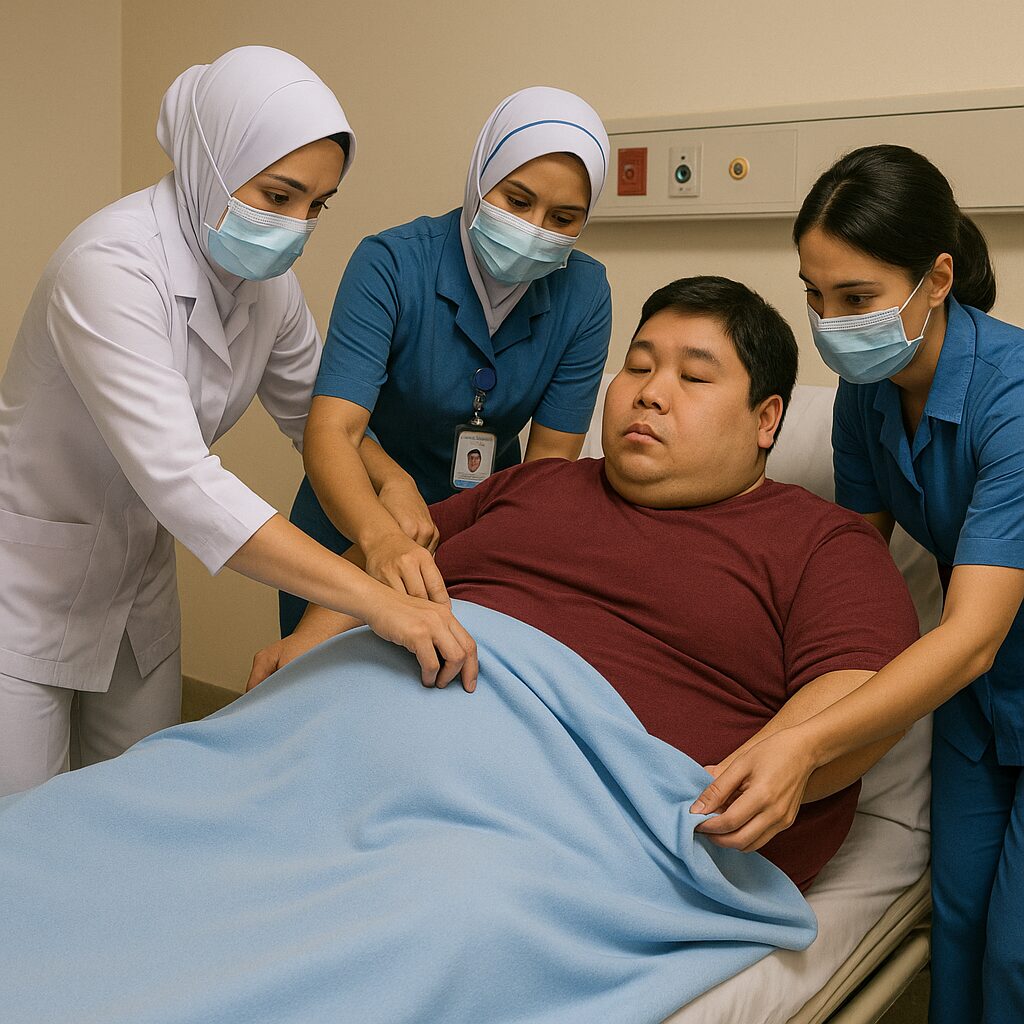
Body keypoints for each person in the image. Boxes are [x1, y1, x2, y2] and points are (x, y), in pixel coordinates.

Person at [254, 276, 920, 893]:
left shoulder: (819, 542)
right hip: (351, 748)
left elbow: (863, 688)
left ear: (766, 419)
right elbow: (388, 557)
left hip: (561, 827)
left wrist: (777, 761)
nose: (650, 391)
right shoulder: (529, 485)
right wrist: (304, 649)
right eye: (637, 366)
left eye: (693, 376)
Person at [0, 47, 475, 800]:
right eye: (278, 195)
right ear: (211, 162)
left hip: (136, 589)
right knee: (21, 834)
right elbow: (184, 482)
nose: (296, 227)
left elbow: (317, 419)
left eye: (317, 205)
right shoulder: (110, 266)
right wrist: (375, 598)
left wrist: (392, 489)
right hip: (26, 588)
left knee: (144, 805)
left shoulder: (266, 287)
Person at [692, 147, 1024, 1023]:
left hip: (980, 653)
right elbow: (856, 571)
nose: (829, 323)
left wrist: (803, 747)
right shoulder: (865, 393)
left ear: (938, 277)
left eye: (857, 299)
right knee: (953, 919)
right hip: (978, 703)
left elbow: (973, 633)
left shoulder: (1014, 396)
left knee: (1017, 948)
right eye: (815, 294)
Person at [281, 87, 612, 634]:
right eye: (518, 201)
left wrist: (498, 560)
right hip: (352, 523)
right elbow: (332, 431)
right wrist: (380, 537)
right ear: (481, 177)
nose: (535, 229)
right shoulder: (391, 263)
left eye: (564, 217)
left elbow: (547, 468)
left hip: (480, 535)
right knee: (316, 691)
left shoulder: (585, 293)